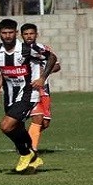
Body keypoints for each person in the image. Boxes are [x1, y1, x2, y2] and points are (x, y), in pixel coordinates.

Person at [0, 19, 57, 172]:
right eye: (4, 33)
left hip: (28, 94)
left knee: (5, 126)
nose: (7, 36)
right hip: (10, 95)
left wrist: (42, 78)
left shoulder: (27, 49)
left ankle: (25, 153)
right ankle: (32, 155)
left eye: (10, 32)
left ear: (16, 33)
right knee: (16, 128)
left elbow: (52, 58)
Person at [19, 23, 61, 153]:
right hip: (29, 89)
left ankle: (25, 139)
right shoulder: (19, 51)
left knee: (45, 123)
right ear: (22, 36)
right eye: (26, 34)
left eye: (31, 33)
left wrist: (44, 73)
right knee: (37, 117)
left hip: (45, 88)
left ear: (36, 34)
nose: (29, 36)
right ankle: (30, 149)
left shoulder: (43, 49)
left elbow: (57, 65)